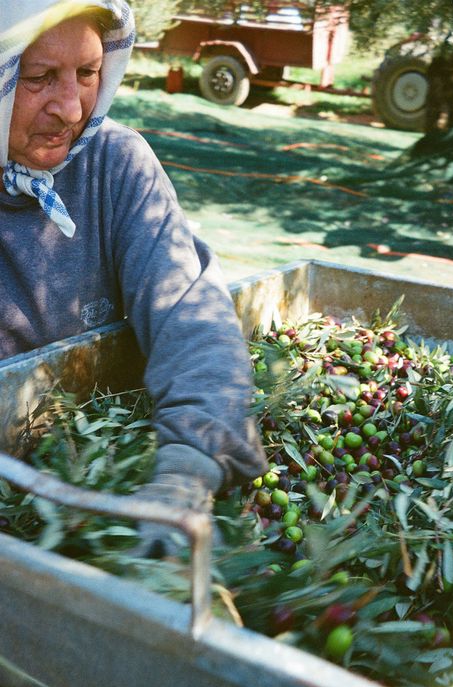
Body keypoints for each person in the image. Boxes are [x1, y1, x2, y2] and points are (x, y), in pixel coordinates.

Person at [0, 0, 268, 554]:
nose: (71, 109)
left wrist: (188, 465)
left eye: (88, 73)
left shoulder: (114, 165)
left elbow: (191, 311)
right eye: (40, 78)